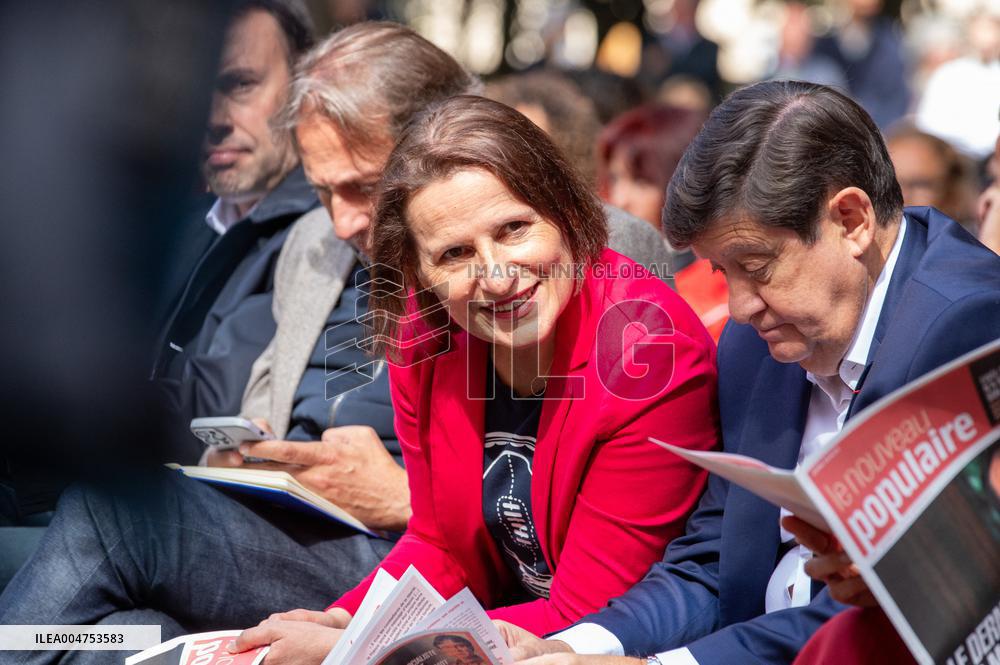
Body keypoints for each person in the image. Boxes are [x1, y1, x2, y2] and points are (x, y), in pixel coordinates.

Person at [496, 80, 1000, 665]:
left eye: (756, 267)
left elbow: (891, 610)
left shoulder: (967, 327)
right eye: (720, 271)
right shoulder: (754, 341)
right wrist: (567, 647)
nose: (737, 307)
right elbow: (714, 557)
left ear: (853, 219)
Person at [229, 95, 719, 663]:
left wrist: (356, 646)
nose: (496, 276)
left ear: (566, 213)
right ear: (418, 273)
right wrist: (343, 615)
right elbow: (439, 542)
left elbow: (590, 608)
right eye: (455, 254)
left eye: (513, 229)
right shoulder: (424, 332)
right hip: (492, 625)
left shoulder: (647, 351)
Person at [151, 0, 318, 463]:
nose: (214, 119)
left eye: (241, 84)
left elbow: (212, 415)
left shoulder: (329, 234)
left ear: (307, 82)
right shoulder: (180, 221)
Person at [484, 71, 680, 285]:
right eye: (500, 145)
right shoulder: (469, 234)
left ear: (565, 148)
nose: (511, 158)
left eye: (529, 145)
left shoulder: (620, 236)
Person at [596, 104, 729, 342]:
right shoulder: (596, 273)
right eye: (615, 178)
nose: (620, 198)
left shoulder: (720, 300)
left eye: (641, 181)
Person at [886, 124, 976, 231]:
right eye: (890, 183)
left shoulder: (973, 244)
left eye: (919, 184)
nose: (902, 196)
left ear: (953, 193)